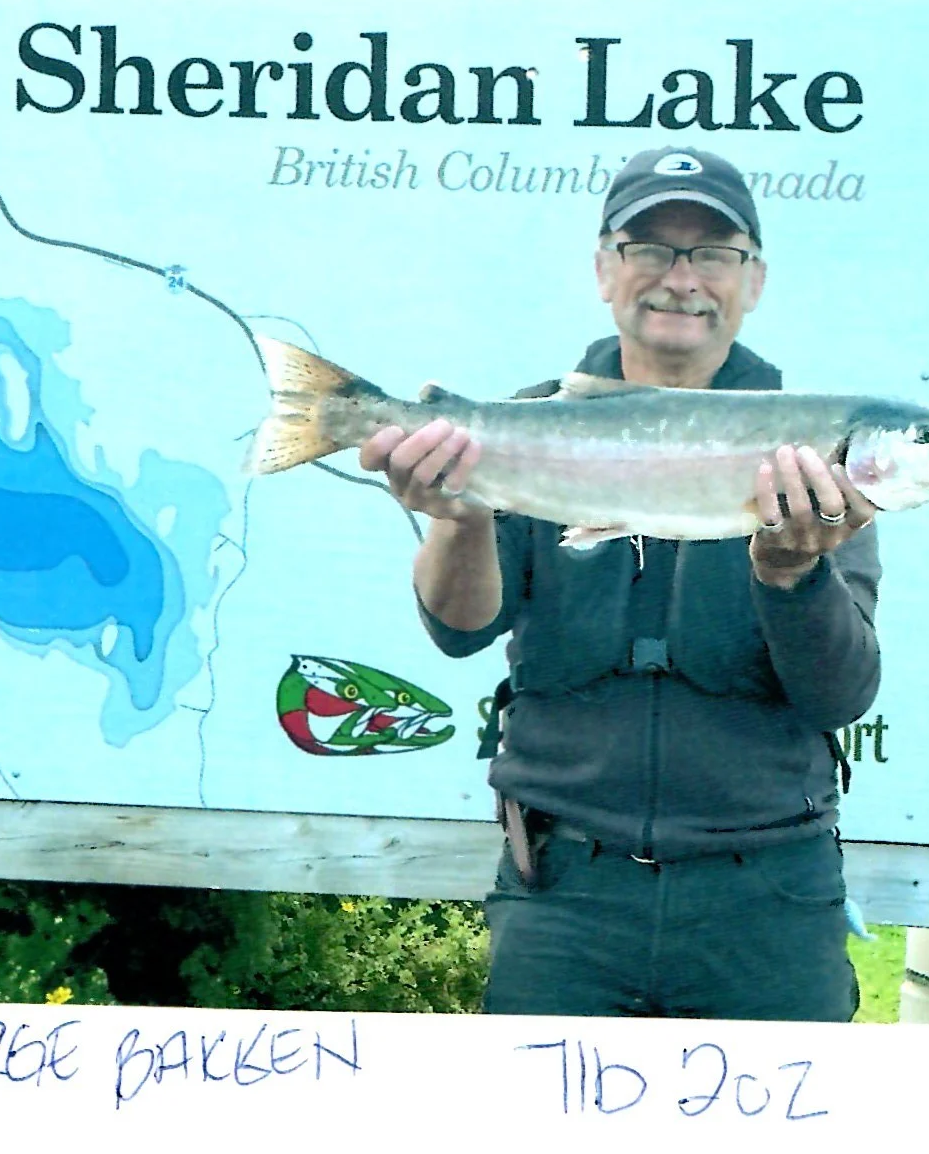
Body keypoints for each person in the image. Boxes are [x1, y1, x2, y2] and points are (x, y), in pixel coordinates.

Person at [359, 146, 881, 1021]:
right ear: (605, 270)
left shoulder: (809, 454)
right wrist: (460, 518)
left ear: (754, 280)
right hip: (563, 893)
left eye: (712, 253)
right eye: (651, 249)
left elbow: (842, 692)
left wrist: (793, 572)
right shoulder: (524, 424)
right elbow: (459, 628)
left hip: (769, 902)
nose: (682, 278)